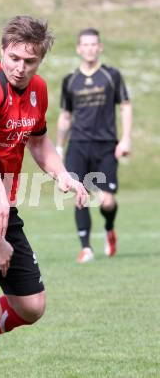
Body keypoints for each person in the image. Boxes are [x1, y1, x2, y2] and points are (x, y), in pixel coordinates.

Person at [0, 15, 88, 361]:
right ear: (2, 51)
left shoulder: (38, 89)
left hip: (1, 207)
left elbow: (38, 142)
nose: (21, 68)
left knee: (33, 306)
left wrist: (63, 175)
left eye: (30, 61)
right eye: (14, 58)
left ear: (40, 61)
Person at [56, 28, 132, 263]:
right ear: (79, 49)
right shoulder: (70, 80)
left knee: (107, 201)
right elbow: (66, 115)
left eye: (93, 44)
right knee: (79, 194)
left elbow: (125, 106)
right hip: (78, 144)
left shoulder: (111, 76)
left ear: (100, 47)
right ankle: (86, 248)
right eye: (85, 45)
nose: (89, 48)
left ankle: (109, 228)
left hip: (106, 144)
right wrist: (59, 147)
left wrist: (126, 138)